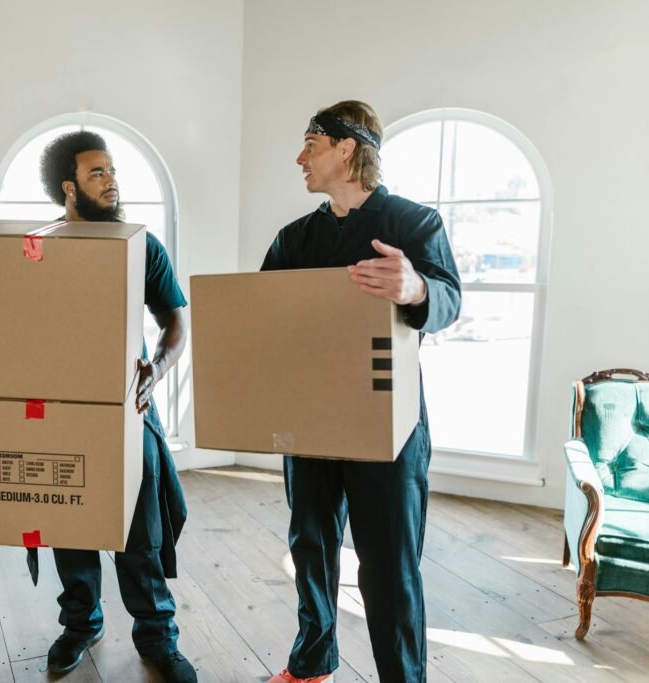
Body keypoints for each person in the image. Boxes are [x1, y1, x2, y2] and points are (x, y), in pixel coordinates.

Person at [261, 101, 461, 683]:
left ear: (346, 149)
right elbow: (262, 318)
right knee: (311, 547)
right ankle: (312, 661)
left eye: (310, 145)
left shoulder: (413, 224)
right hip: (311, 420)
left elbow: (449, 301)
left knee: (389, 567)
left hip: (388, 424)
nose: (300, 158)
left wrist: (417, 285)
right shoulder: (294, 238)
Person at [34, 130, 196, 683]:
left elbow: (176, 318)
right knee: (71, 528)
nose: (112, 181)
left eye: (112, 171)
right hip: (58, 416)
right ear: (68, 186)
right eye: (97, 172)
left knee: (140, 534)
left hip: (129, 414)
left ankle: (157, 637)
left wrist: (158, 369)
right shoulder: (35, 251)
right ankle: (80, 625)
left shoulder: (141, 245)